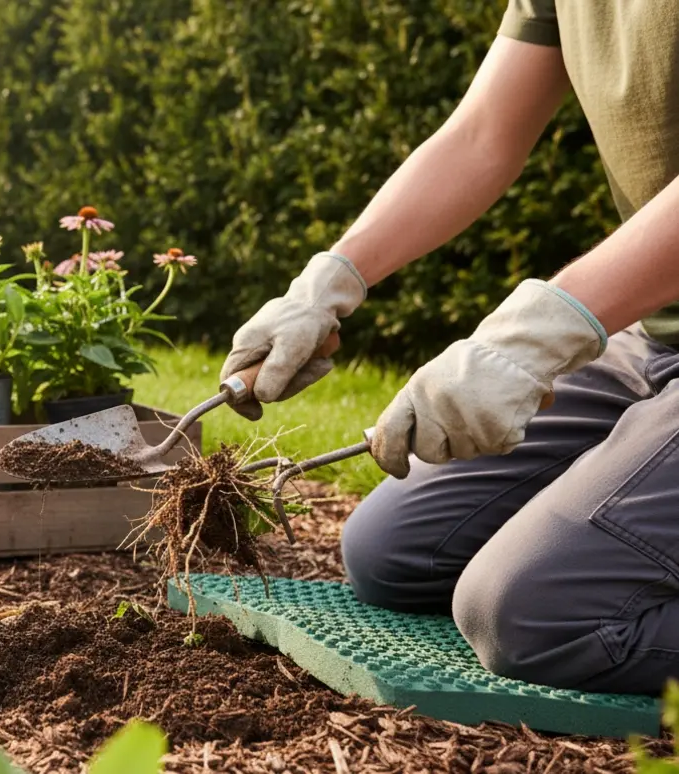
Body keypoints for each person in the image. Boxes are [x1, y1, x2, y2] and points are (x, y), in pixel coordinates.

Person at [220, 2, 679, 697]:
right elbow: (482, 133)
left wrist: (535, 336)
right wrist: (330, 282)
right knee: (395, 553)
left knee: (537, 617)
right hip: (656, 338)